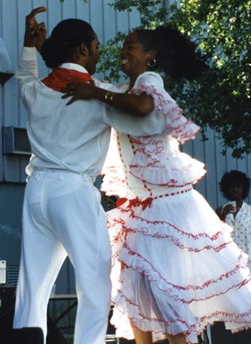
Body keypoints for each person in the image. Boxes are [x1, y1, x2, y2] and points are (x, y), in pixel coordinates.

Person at [62, 26, 251, 344]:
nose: (124, 50)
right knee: (136, 293)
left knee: (164, 296)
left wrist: (94, 92)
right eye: (123, 44)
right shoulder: (123, 91)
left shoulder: (150, 84)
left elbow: (143, 107)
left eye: (131, 45)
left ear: (151, 56)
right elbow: (102, 91)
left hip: (166, 207)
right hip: (142, 209)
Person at [13, 8, 167, 344]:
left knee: (33, 288)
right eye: (95, 48)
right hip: (73, 191)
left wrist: (32, 49)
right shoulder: (98, 93)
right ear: (82, 50)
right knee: (95, 282)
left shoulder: (36, 90)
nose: (99, 54)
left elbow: (26, 78)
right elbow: (151, 121)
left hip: (36, 190)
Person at [216, 170, 251, 268]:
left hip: (247, 257)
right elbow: (215, 233)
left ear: (244, 188)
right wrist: (223, 215)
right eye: (232, 187)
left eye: (238, 186)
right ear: (226, 189)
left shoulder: (249, 211)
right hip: (228, 258)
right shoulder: (220, 210)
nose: (235, 189)